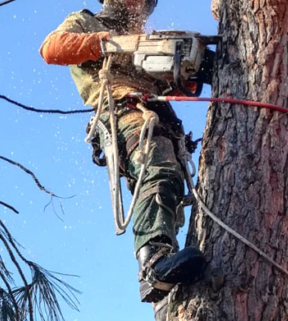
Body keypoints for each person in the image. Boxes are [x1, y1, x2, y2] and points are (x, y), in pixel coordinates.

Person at [38, 0, 207, 313]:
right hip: (123, 110)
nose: (140, 6)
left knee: (168, 190)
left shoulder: (143, 38)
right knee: (156, 168)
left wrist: (190, 65)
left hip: (161, 119)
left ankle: (167, 292)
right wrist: (104, 44)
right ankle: (153, 264)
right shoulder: (86, 22)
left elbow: (177, 82)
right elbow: (50, 48)